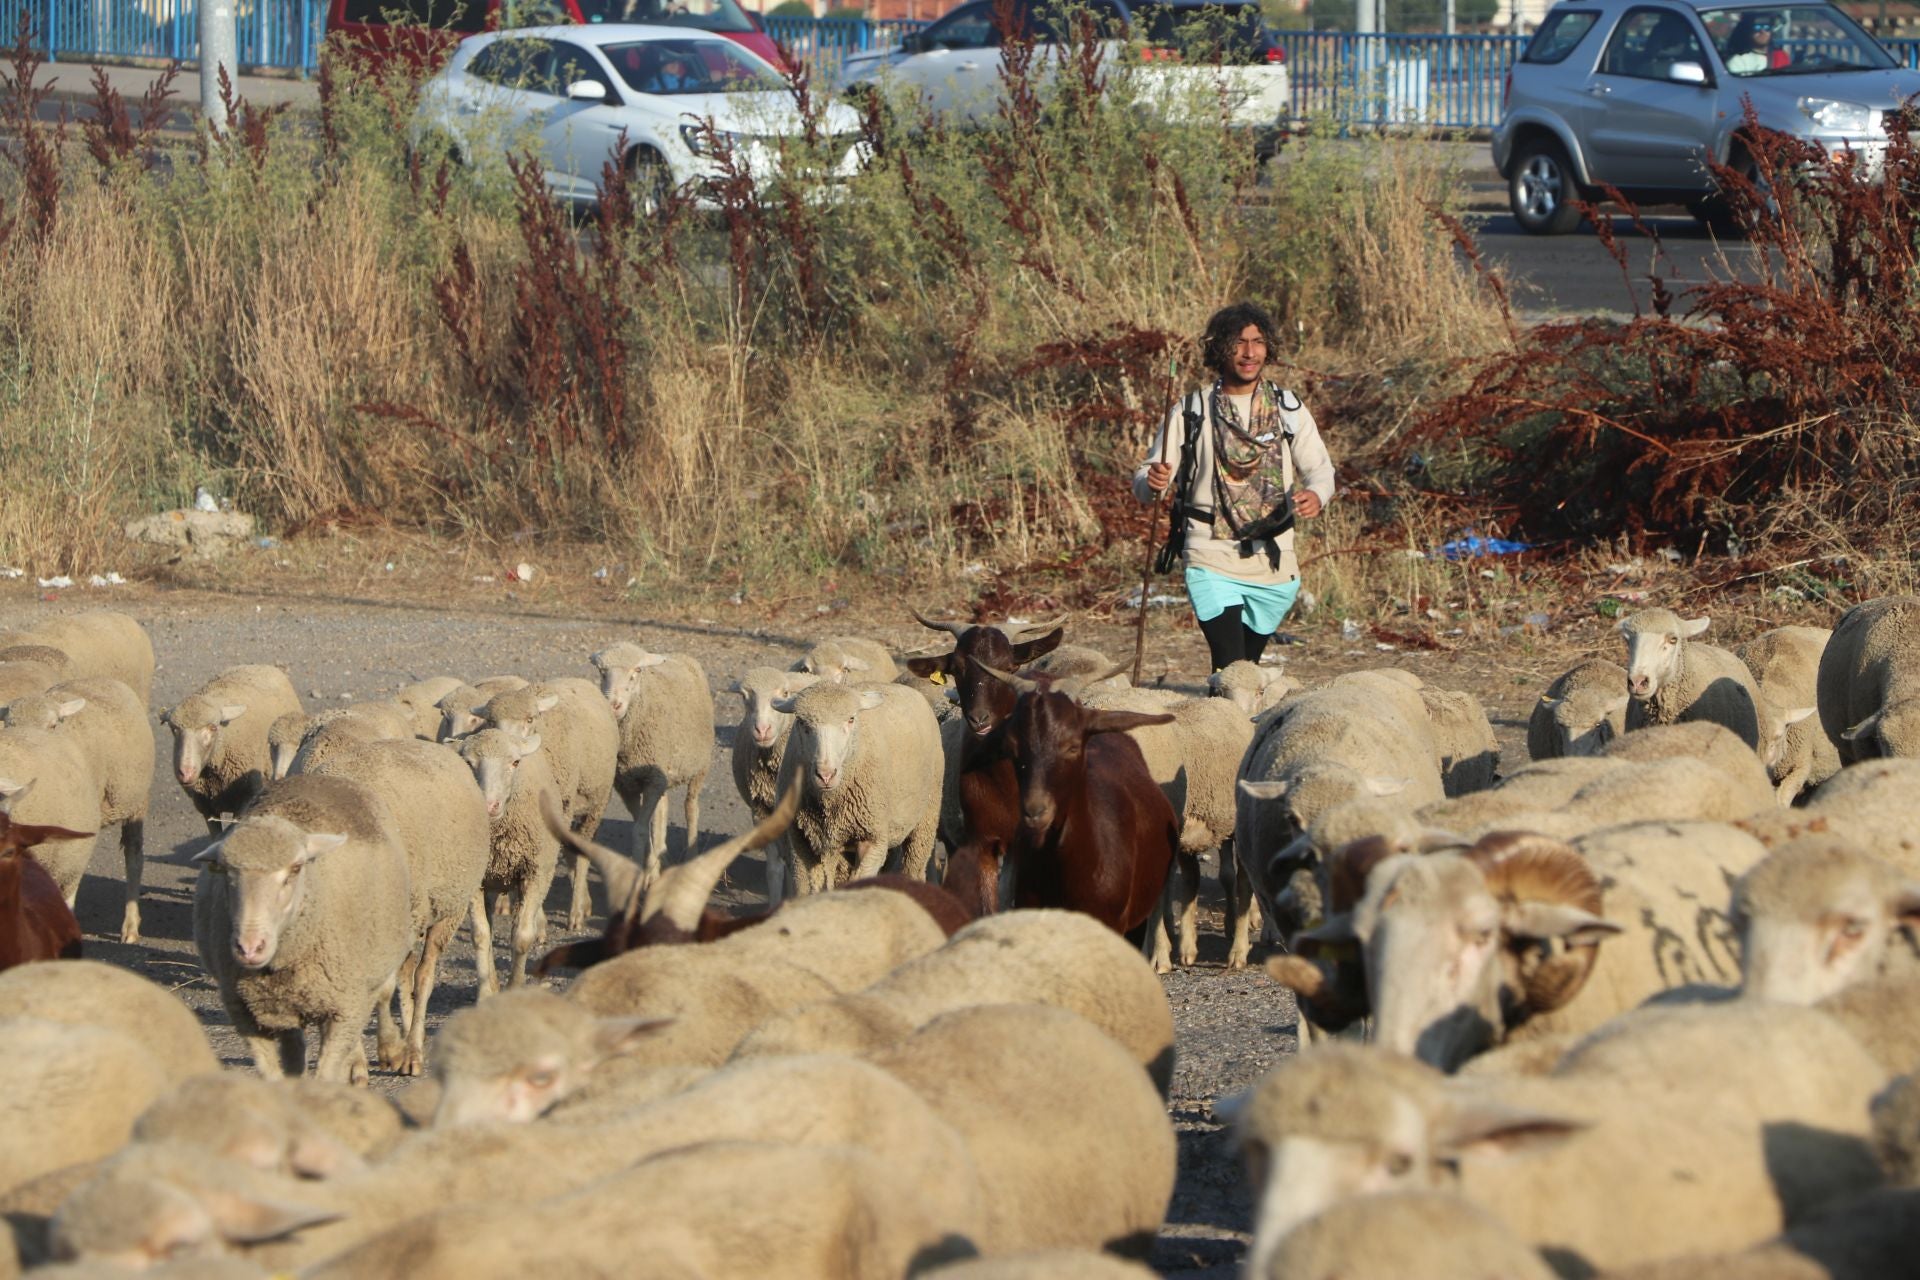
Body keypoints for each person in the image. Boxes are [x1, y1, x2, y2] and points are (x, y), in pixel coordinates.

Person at [1135, 302, 1336, 673]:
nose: (1249, 352)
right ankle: (1223, 727)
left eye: (1257, 342)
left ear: (1268, 347)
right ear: (1220, 348)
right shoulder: (1191, 410)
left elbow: (1322, 472)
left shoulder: (1287, 408)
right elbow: (1147, 480)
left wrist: (1316, 495)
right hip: (1209, 553)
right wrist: (1153, 481)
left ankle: (1231, 725)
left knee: (1245, 670)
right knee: (1231, 668)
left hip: (1273, 558)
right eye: (1238, 342)